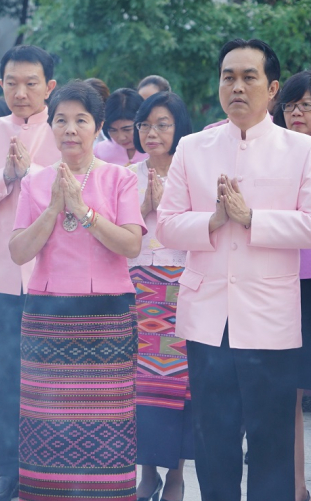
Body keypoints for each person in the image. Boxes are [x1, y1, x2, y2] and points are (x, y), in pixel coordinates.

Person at [156, 39, 311, 501]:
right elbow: (167, 225)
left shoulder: (303, 151)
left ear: (271, 88)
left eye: (249, 77)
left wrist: (252, 218)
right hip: (208, 317)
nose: (236, 86)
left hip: (270, 318)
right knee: (214, 441)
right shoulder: (193, 147)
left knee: (271, 445)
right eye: (228, 76)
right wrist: (212, 220)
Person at [9, 80, 145, 501]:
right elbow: (17, 252)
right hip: (49, 317)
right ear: (51, 126)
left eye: (80, 120)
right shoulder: (35, 183)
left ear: (97, 126)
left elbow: (131, 244)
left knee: (107, 428)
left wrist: (83, 212)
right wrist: (53, 208)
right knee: (46, 425)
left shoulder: (120, 179)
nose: (70, 129)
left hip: (107, 317)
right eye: (61, 120)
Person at [0, 45, 60, 501]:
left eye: (31, 83)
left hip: (53, 276)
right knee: (0, 379)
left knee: (49, 378)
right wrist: (4, 176)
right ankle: (6, 471)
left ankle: (46, 469)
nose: (20, 93)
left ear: (50, 87)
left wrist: (33, 173)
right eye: (11, 83)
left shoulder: (66, 130)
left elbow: (75, 189)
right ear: (0, 84)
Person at [128, 91, 194, 501]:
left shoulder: (192, 173)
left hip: (181, 288)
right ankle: (147, 472)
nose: (152, 132)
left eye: (163, 124)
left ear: (178, 128)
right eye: (146, 124)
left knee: (177, 387)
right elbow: (115, 234)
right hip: (137, 289)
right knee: (142, 386)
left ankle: (176, 476)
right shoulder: (124, 176)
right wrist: (144, 206)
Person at [272, 70, 311, 501]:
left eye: (306, 104)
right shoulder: (272, 154)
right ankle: (294, 489)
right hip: (277, 280)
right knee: (284, 392)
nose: (296, 112)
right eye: (290, 104)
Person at [94, 88, 148, 166]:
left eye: (127, 129)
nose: (121, 137)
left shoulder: (156, 150)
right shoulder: (100, 152)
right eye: (113, 130)